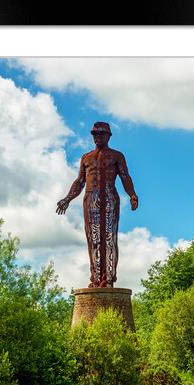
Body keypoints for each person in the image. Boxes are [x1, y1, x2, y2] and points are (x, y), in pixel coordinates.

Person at [56, 121, 138, 288]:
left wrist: (132, 194)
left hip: (109, 196)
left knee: (109, 237)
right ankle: (95, 278)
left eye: (100, 133)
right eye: (94, 134)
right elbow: (79, 181)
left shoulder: (116, 156)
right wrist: (67, 199)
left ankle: (108, 278)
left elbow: (125, 177)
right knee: (93, 238)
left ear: (108, 136)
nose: (97, 137)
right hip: (91, 197)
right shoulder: (86, 157)